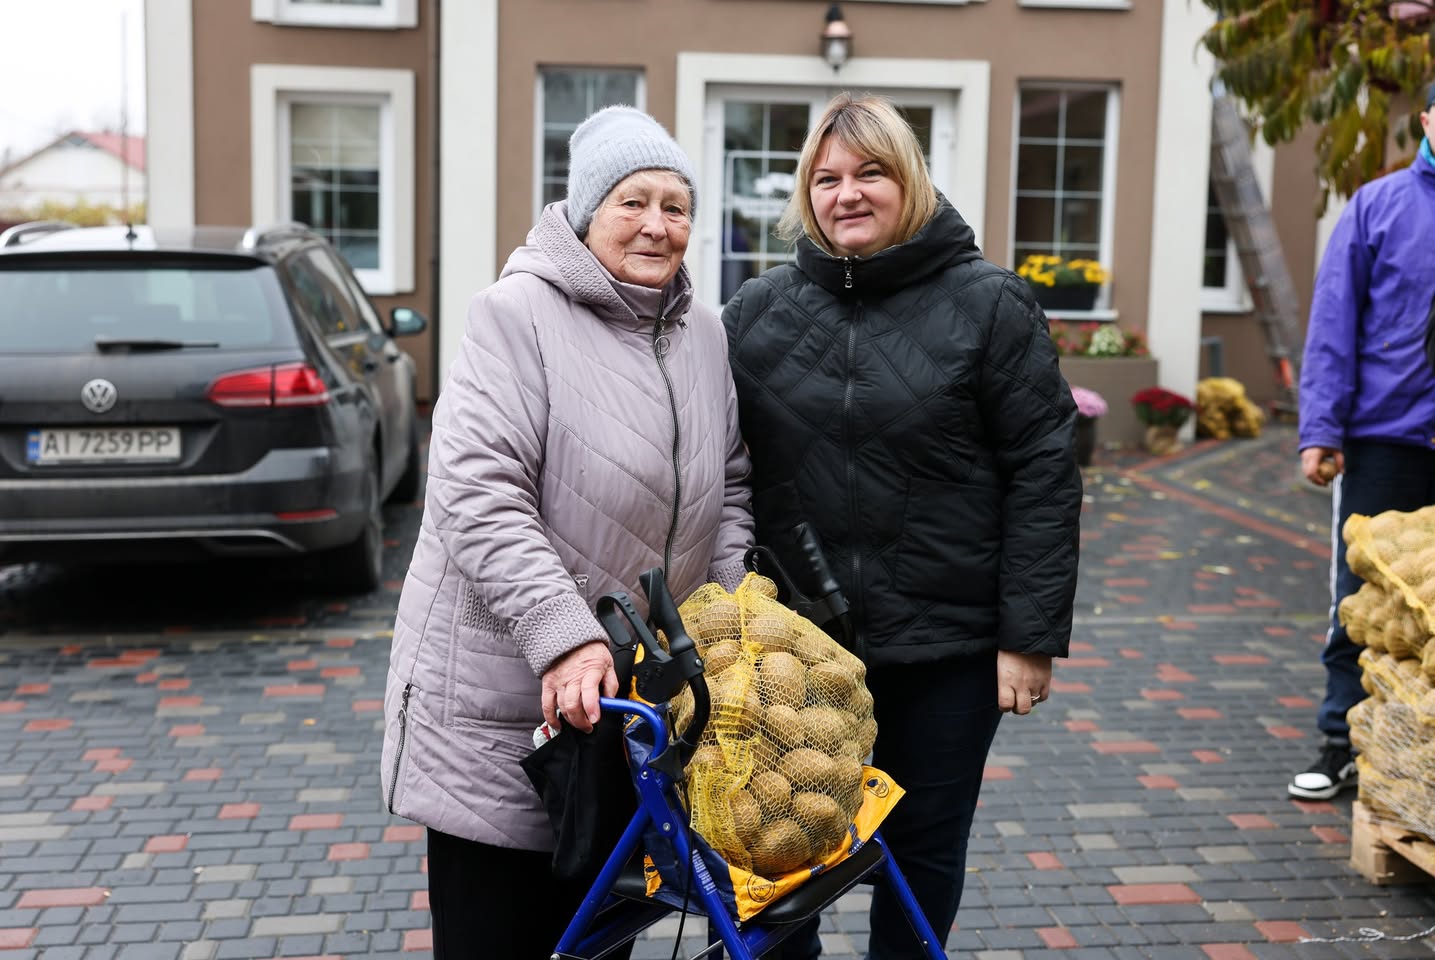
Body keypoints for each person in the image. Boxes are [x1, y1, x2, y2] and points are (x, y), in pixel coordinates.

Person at [380, 105, 753, 958]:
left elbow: (728, 486)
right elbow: (477, 491)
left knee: (599, 935)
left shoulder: (701, 331)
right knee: (500, 935)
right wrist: (561, 638)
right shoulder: (514, 315)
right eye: (633, 201)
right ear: (586, 214)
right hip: (503, 703)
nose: (657, 225)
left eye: (675, 205)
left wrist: (735, 621)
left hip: (622, 707)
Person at [722, 94, 1083, 959]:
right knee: (773, 859)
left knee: (919, 853)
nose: (846, 194)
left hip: (946, 651)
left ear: (909, 181)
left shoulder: (989, 304)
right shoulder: (756, 314)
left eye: (869, 173)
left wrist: (1026, 637)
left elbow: (1043, 468)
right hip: (793, 657)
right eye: (826, 178)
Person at [1290, 84, 1435, 801]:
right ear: (1427, 120)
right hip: (1388, 440)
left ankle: (1417, 756)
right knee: (1361, 597)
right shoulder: (1378, 206)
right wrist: (1321, 428)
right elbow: (1332, 324)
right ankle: (1338, 739)